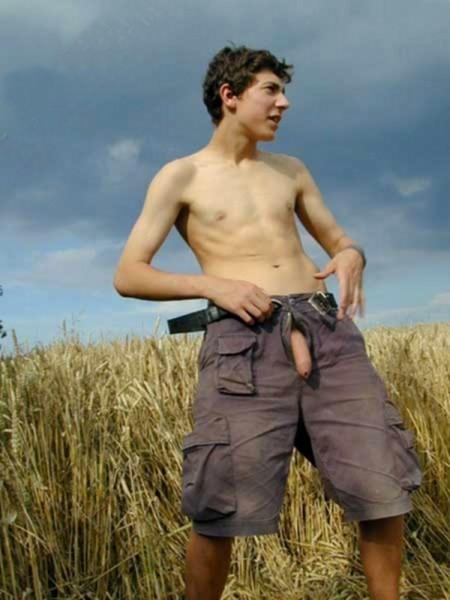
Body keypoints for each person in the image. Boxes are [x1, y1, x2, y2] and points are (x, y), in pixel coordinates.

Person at [113, 44, 422, 600]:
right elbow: (130, 273)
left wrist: (352, 254)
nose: (285, 103)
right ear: (230, 96)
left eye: (284, 92)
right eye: (271, 91)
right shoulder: (181, 176)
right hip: (243, 343)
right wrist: (214, 285)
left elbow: (338, 239)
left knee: (382, 489)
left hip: (328, 334)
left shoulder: (291, 171)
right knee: (219, 507)